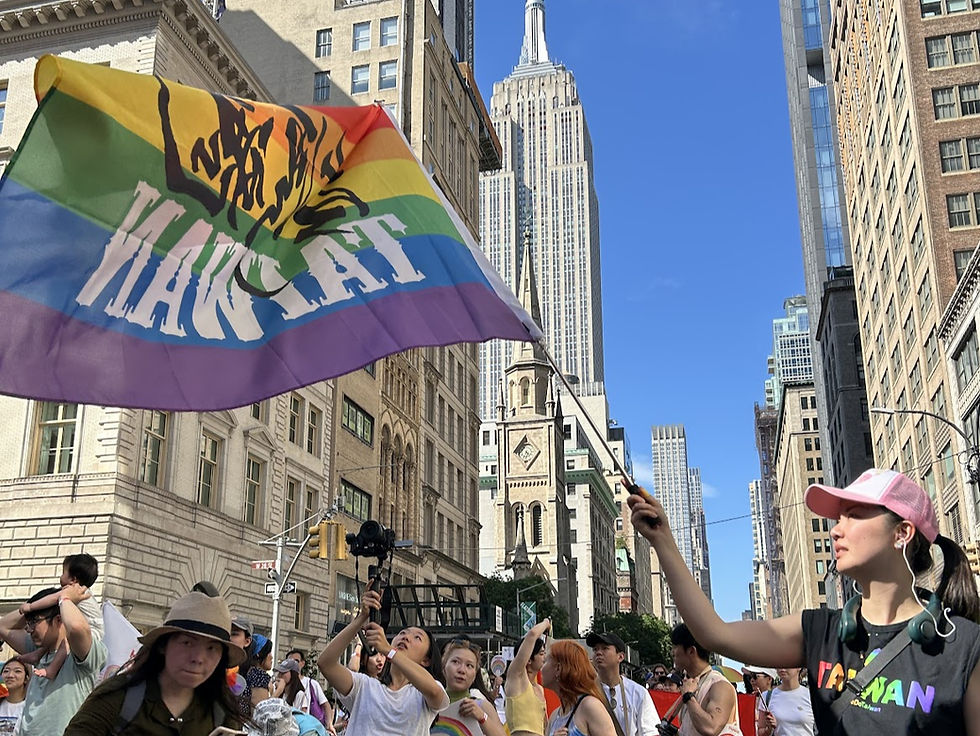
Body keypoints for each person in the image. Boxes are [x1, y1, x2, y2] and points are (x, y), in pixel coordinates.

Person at [628, 468, 980, 735]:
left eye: (854, 514)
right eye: (837, 518)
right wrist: (662, 540)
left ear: (902, 533)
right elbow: (713, 633)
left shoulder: (966, 648)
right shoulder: (819, 631)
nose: (835, 529)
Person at [64, 590, 246, 735]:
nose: (198, 658)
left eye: (211, 648)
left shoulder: (222, 714)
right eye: (187, 643)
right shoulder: (117, 697)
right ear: (163, 645)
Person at [317, 587, 449, 736]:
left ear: (426, 660)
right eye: (402, 633)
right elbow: (326, 664)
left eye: (417, 637)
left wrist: (388, 650)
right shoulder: (364, 686)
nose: (406, 637)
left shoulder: (423, 695)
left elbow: (434, 691)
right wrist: (361, 617)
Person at [0, 584, 107, 735]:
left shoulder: (79, 655)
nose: (29, 630)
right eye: (28, 622)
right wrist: (37, 606)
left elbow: (76, 627)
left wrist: (64, 598)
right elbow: (3, 626)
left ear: (59, 620)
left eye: (34, 622)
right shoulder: (38, 650)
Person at [15, 554, 104, 681]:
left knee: (66, 641)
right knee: (60, 637)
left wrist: (31, 607)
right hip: (91, 626)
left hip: (93, 630)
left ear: (73, 579)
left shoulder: (72, 591)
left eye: (63, 572)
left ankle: (52, 670)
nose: (60, 577)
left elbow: (52, 599)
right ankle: (37, 655)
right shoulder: (81, 591)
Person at [668, 624, 739, 736]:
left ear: (691, 651)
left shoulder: (719, 685)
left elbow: (711, 728)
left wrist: (688, 697)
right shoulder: (690, 684)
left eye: (675, 646)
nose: (672, 652)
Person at [586, 631, 660, 736]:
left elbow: (650, 731)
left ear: (620, 657)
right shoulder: (585, 692)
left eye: (605, 648)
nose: (598, 652)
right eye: (595, 649)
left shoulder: (638, 692)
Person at [542, 640, 616, 736]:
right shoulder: (554, 716)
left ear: (558, 668)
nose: (541, 668)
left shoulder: (590, 706)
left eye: (545, 661)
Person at [435, 637, 506, 736]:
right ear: (444, 667)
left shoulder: (482, 705)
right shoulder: (430, 702)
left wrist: (482, 717)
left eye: (469, 665)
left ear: (475, 675)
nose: (462, 670)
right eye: (455, 662)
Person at [505, 618, 549, 736]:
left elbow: (545, 727)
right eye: (541, 653)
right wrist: (546, 623)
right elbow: (532, 634)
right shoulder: (516, 677)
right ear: (528, 659)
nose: (544, 657)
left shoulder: (540, 689)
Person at [758, 668, 814, 736]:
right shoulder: (767, 696)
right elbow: (760, 732)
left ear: (799, 667)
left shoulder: (812, 696)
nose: (782, 668)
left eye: (787, 664)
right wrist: (769, 729)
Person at [286, 648, 332, 726]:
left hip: (308, 727)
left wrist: (329, 724)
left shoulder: (312, 683)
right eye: (289, 661)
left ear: (302, 663)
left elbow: (326, 705)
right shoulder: (283, 684)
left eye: (296, 661)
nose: (293, 664)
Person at [741, 665, 777, 733]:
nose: (751, 680)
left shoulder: (777, 700)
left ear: (769, 679)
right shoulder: (748, 700)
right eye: (750, 677)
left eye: (755, 676)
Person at [0, 659, 30, 732]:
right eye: (6, 671)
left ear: (26, 679)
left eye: (17, 671)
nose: (10, 675)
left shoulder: (31, 708)